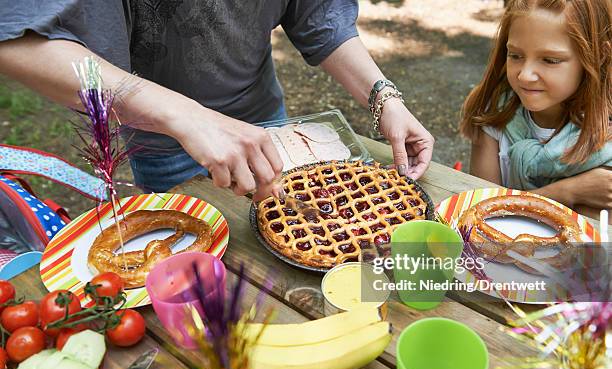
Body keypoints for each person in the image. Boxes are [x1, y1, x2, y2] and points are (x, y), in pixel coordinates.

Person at [0, 1, 434, 201]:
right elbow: (16, 38)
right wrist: (187, 115)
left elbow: (319, 16)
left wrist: (384, 96)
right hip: (167, 146)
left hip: (268, 126)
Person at [460, 0, 611, 220]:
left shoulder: (605, 139)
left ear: (599, 57)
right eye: (516, 56)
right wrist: (568, 192)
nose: (525, 75)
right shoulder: (493, 113)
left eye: (550, 60)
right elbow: (482, 213)